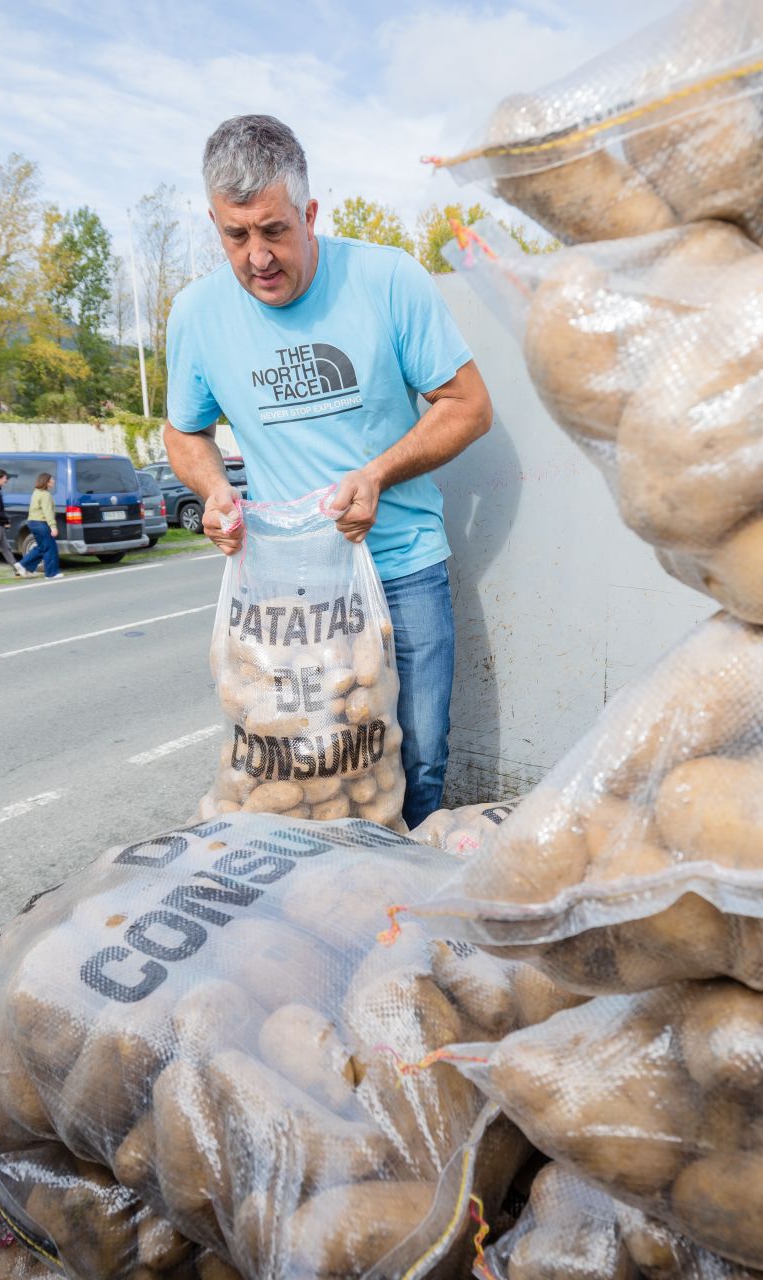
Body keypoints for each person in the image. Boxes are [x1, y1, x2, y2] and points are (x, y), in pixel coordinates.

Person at [163, 114, 493, 827]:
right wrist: (215, 489)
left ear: (310, 214)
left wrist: (378, 473)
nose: (257, 257)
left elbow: (467, 406)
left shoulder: (387, 280)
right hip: (289, 595)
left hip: (403, 569)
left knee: (418, 759)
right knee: (303, 767)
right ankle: (319, 912)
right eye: (235, 235)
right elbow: (184, 431)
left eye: (275, 230)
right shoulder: (196, 314)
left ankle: (403, 915)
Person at [16, 472, 61, 579]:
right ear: (47, 482)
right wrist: (53, 526)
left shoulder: (36, 492)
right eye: (52, 480)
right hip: (41, 523)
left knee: (41, 548)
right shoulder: (45, 494)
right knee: (50, 548)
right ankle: (51, 573)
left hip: (32, 523)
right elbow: (47, 512)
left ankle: (23, 564)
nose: (53, 481)